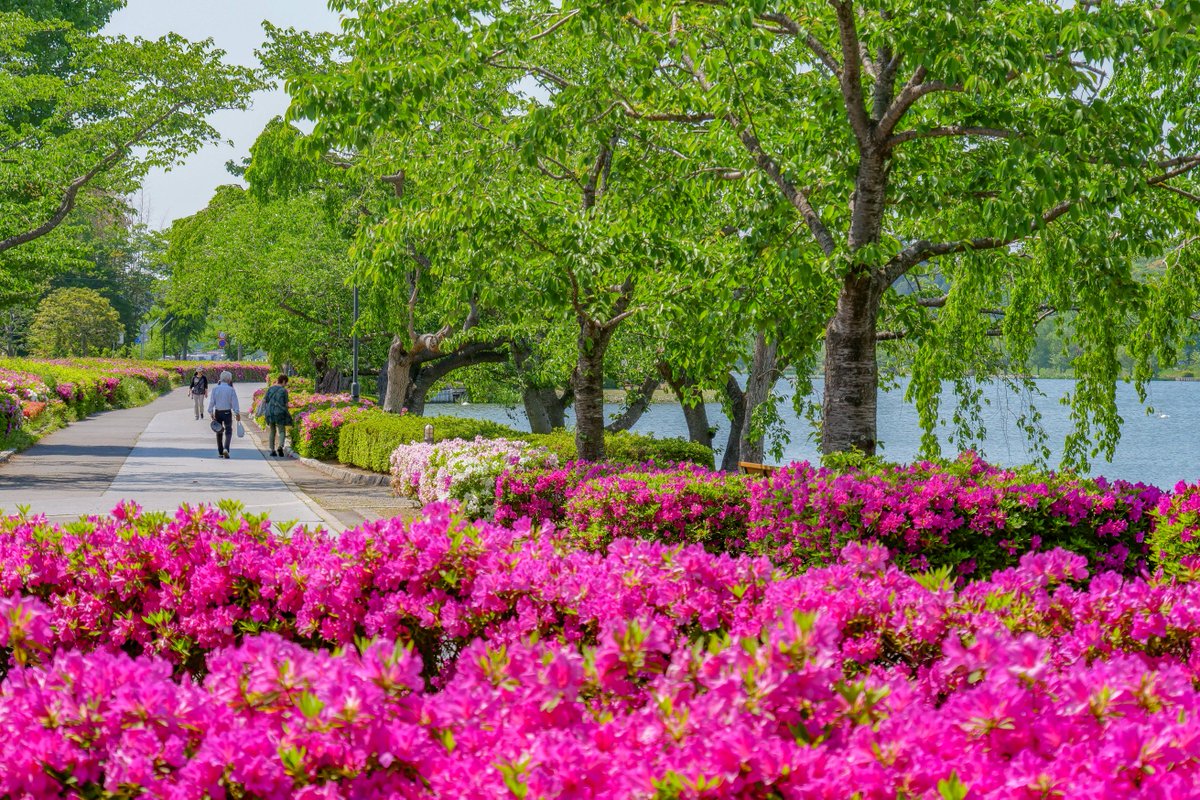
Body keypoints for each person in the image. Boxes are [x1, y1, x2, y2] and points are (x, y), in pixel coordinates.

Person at [207, 371, 241, 459]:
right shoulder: (231, 389)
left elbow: (212, 402)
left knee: (219, 431)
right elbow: (235, 402)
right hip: (227, 412)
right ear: (229, 379)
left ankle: (220, 451)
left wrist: (211, 412)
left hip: (218, 412)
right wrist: (237, 413)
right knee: (228, 430)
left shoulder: (215, 389)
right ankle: (226, 448)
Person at [261, 374, 292, 457]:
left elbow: (265, 400)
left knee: (272, 431)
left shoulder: (270, 388)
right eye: (286, 383)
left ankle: (272, 450)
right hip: (280, 413)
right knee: (281, 431)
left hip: (270, 413)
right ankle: (280, 446)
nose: (286, 385)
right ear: (284, 381)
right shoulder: (283, 390)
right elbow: (286, 404)